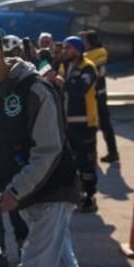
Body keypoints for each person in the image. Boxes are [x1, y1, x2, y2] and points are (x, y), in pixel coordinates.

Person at [0, 22, 92, 267]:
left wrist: (17, 188)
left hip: (51, 192)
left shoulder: (34, 89)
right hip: (27, 197)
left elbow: (49, 150)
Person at [54, 36, 99, 213]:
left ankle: (90, 196)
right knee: (72, 161)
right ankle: (77, 193)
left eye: (68, 48)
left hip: (84, 122)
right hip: (68, 123)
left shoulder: (88, 67)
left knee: (86, 161)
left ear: (78, 50)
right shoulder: (65, 67)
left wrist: (59, 81)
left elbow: (79, 89)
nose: (64, 52)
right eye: (64, 48)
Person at [80, 31, 119, 164]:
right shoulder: (100, 52)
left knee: (95, 124)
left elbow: (85, 63)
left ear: (90, 41)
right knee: (104, 124)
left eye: (84, 41)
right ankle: (112, 152)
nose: (83, 43)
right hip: (100, 93)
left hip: (95, 95)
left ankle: (98, 154)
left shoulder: (93, 55)